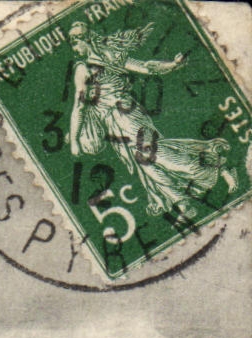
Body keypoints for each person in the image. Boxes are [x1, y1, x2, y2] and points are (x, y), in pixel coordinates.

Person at [67, 20, 235, 216]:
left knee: (157, 155)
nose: (74, 47)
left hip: (125, 116)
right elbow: (147, 67)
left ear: (85, 40)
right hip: (119, 120)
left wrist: (74, 142)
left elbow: (79, 105)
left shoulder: (83, 68)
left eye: (74, 42)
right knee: (145, 162)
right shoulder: (110, 56)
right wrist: (172, 65)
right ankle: (180, 202)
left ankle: (216, 165)